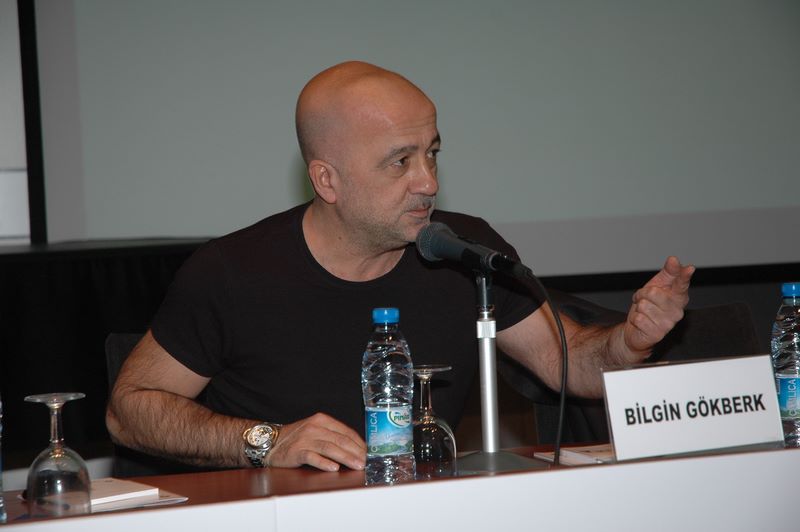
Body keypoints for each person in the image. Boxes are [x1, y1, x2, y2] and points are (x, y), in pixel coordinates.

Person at [106, 61, 694, 473]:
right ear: (327, 180)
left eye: (432, 154)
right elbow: (130, 410)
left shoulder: (464, 252)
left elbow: (567, 365)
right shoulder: (233, 272)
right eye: (400, 162)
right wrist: (265, 440)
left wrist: (628, 343)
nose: (428, 182)